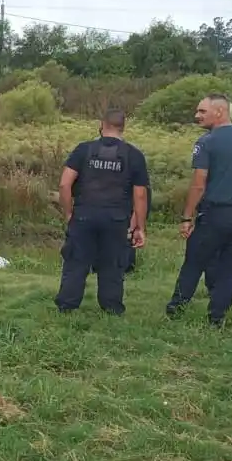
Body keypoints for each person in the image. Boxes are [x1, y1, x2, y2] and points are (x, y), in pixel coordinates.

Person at [54, 108, 149, 315]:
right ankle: (112, 307)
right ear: (123, 128)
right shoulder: (134, 155)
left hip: (84, 215)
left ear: (101, 125)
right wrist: (139, 227)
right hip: (116, 219)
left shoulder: (83, 150)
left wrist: (69, 213)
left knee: (76, 260)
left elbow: (64, 185)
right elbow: (140, 195)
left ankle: (66, 306)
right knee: (113, 263)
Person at [165, 93, 232, 327]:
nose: (197, 116)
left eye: (202, 111)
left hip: (216, 215)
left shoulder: (207, 142)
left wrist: (187, 216)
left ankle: (176, 308)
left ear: (220, 112)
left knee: (194, 261)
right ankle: (216, 318)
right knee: (229, 268)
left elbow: (199, 183)